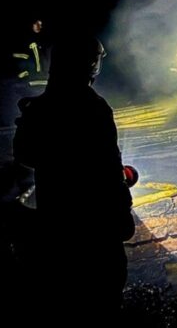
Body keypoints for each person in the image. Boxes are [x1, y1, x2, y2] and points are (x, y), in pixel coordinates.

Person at [13, 33, 134, 322]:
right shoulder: (93, 108)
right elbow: (107, 168)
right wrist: (122, 206)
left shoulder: (40, 108)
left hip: (56, 228)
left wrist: (28, 120)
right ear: (91, 64)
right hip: (95, 234)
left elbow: (25, 155)